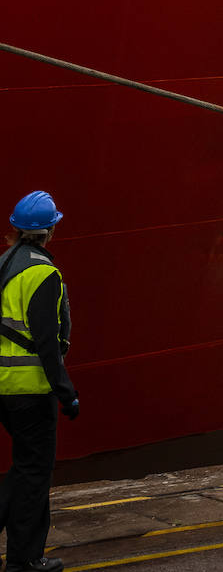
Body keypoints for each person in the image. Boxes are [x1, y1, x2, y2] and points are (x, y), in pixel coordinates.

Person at [0, 192, 78, 572]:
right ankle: (25, 561)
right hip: (31, 390)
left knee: (23, 468)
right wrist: (66, 393)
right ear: (49, 232)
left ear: (14, 229)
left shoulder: (3, 266)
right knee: (33, 475)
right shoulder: (44, 273)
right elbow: (47, 342)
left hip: (3, 389)